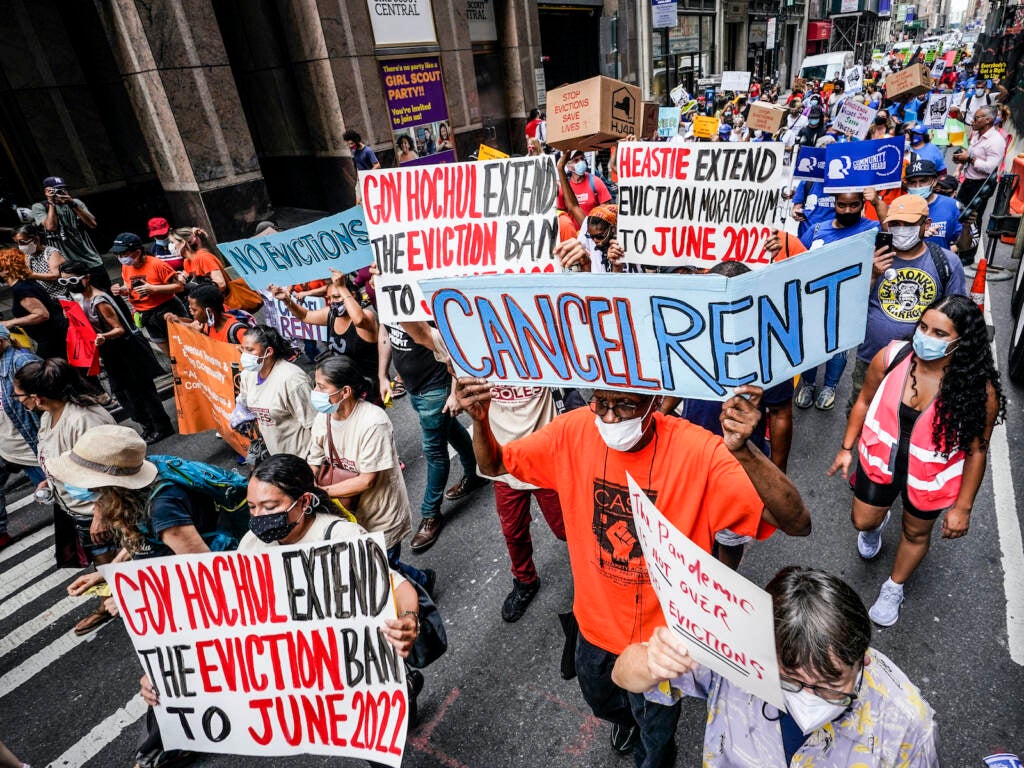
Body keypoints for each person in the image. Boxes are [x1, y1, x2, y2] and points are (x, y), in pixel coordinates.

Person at [455, 376, 810, 766]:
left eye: (624, 405)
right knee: (603, 701)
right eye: (600, 403)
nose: (609, 417)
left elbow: (795, 521)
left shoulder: (698, 451)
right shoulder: (572, 431)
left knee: (655, 738)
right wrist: (481, 421)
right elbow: (494, 463)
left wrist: (745, 453)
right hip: (592, 630)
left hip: (663, 645)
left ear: (655, 398)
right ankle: (627, 722)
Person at [48, 425, 248, 768]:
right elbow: (148, 545)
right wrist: (107, 573)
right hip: (178, 591)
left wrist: (131, 597)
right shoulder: (146, 475)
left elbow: (204, 574)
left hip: (198, 597)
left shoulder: (165, 507)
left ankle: (167, 746)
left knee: (168, 673)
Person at [611, 566, 939, 766]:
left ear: (863, 658)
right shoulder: (736, 654)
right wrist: (652, 660)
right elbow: (623, 674)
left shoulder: (907, 725)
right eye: (791, 681)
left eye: (830, 683)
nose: (811, 698)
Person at [829, 296, 1004, 626]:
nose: (926, 337)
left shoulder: (979, 389)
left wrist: (962, 508)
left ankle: (894, 587)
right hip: (880, 461)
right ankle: (876, 525)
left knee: (915, 533)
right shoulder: (892, 356)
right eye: (923, 327)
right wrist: (846, 448)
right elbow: (864, 402)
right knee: (862, 521)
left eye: (940, 333)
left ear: (961, 342)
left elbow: (978, 449)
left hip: (929, 477)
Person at [308, 356, 434, 593]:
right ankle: (421, 581)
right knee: (377, 567)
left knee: (384, 568)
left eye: (321, 387)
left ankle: (421, 589)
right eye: (316, 385)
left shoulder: (373, 422)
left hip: (380, 515)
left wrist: (320, 493)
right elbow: (314, 459)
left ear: (345, 391)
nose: (315, 392)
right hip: (350, 515)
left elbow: (367, 479)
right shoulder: (323, 417)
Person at [13, 359, 116, 634]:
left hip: (102, 509)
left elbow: (110, 469)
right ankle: (112, 601)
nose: (17, 401)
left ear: (37, 397)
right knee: (103, 559)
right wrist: (50, 478)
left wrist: (101, 513)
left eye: (18, 395)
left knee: (118, 558)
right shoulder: (48, 416)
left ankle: (123, 605)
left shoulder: (84, 419)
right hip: (77, 507)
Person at [848, 193, 966, 411]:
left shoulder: (947, 262)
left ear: (926, 225)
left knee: (908, 419)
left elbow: (958, 316)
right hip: (871, 357)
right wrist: (872, 275)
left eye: (908, 224)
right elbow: (849, 306)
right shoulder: (870, 256)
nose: (901, 229)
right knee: (862, 409)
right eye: (895, 224)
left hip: (922, 362)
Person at [378, 321, 485, 552]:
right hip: (416, 389)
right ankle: (475, 472)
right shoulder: (386, 291)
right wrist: (382, 375)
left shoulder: (421, 295)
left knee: (434, 450)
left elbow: (455, 343)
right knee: (450, 429)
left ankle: (430, 514)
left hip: (436, 388)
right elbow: (385, 332)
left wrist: (455, 391)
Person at [59, 262, 173, 444]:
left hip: (126, 352)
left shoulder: (100, 300)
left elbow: (119, 329)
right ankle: (148, 426)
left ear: (86, 278)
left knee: (142, 393)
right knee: (125, 394)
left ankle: (161, 427)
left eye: (72, 280)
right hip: (113, 354)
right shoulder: (81, 299)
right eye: (64, 282)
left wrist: (103, 336)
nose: (69, 285)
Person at [795, 191, 882, 411]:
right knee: (812, 345)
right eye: (842, 205)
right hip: (814, 302)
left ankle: (830, 387)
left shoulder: (872, 229)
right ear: (834, 204)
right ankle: (808, 384)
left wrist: (877, 202)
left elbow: (892, 233)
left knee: (838, 347)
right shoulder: (816, 230)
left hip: (848, 303)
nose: (847, 210)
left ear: (862, 204)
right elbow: (797, 258)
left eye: (854, 205)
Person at [268, 269, 380, 398]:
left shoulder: (367, 316)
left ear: (352, 295)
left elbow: (359, 320)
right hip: (342, 385)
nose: (332, 302)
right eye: (329, 298)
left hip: (366, 388)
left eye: (336, 297)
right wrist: (287, 300)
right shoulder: (331, 314)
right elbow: (305, 315)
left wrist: (342, 288)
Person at [0, 326, 46, 550]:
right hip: (6, 446)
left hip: (31, 446)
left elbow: (51, 401)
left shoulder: (22, 363)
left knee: (67, 497)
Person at [237, 325, 314, 458]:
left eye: (250, 350)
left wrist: (315, 464)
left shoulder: (293, 380)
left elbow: (315, 425)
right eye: (243, 349)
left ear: (269, 351)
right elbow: (244, 398)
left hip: (302, 457)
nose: (244, 355)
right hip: (277, 457)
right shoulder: (248, 375)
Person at [109, 232, 189, 356]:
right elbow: (128, 287)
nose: (121, 258)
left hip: (167, 309)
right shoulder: (126, 266)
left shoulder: (157, 264)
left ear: (137, 252)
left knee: (186, 347)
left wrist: (154, 289)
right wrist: (121, 290)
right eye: (117, 255)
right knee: (170, 354)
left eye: (123, 254)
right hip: (145, 314)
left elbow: (179, 287)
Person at [30, 176, 110, 290]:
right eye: (56, 190)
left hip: (90, 259)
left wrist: (72, 203)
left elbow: (92, 224)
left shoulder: (75, 203)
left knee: (107, 292)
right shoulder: (39, 207)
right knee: (80, 299)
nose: (61, 192)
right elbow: (51, 227)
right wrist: (51, 203)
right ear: (47, 192)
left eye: (63, 189)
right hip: (67, 266)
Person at [0, 247, 68, 360]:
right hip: (54, 335)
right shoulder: (25, 283)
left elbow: (42, 315)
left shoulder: (21, 289)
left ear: (7, 270)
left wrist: (10, 322)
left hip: (52, 338)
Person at [904, 158, 970, 255]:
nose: (918, 186)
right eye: (912, 182)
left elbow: (963, 246)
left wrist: (966, 226)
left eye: (923, 181)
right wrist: (918, 236)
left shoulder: (952, 206)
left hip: (939, 266)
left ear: (934, 182)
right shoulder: (898, 206)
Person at [952, 106, 1006, 224]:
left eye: (976, 118)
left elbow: (991, 168)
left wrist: (969, 159)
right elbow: (971, 154)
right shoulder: (976, 134)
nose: (972, 121)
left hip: (981, 186)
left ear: (987, 120)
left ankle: (973, 242)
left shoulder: (996, 141)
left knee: (973, 219)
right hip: (968, 182)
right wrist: (961, 160)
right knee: (957, 212)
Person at [166, 282, 248, 344]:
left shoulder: (239, 332)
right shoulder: (207, 325)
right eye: (190, 308)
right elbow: (192, 326)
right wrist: (177, 321)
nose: (191, 312)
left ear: (209, 311)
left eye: (194, 310)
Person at [13, 223, 70, 301]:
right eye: (17, 243)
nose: (20, 246)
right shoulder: (28, 255)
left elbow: (56, 275)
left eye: (22, 242)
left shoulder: (51, 252)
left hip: (59, 299)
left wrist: (31, 275)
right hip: (43, 299)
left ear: (36, 239)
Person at [171, 226, 228, 296]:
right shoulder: (187, 261)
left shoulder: (204, 257)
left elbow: (221, 284)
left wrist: (198, 293)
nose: (170, 246)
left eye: (172, 242)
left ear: (183, 242)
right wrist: (182, 279)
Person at [556, 150, 612, 218]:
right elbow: (560, 213)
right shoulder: (564, 188)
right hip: (572, 228)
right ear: (568, 166)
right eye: (576, 160)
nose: (581, 162)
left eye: (582, 159)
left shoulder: (596, 182)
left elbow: (606, 213)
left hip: (591, 228)